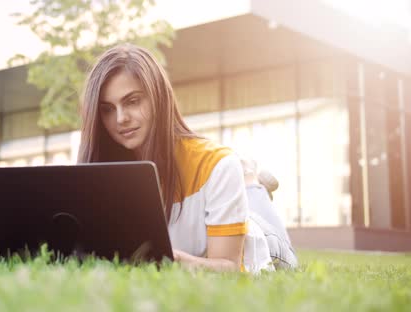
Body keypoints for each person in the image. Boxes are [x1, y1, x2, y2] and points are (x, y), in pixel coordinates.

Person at [78, 43, 297, 273]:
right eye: (107, 109)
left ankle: (252, 183)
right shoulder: (101, 172)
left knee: (281, 251)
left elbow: (230, 267)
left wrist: (171, 260)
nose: (121, 118)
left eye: (132, 101)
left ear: (158, 98)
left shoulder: (217, 164)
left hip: (259, 242)